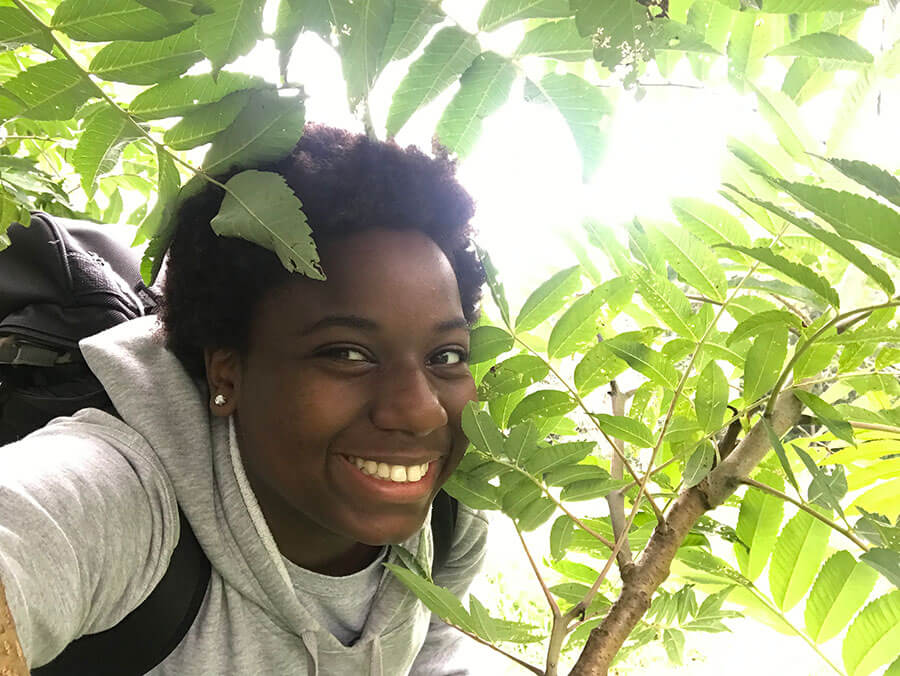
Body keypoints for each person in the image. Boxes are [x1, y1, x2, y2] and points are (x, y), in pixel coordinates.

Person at [0, 124, 489, 674]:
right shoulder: (121, 502)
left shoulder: (449, 518)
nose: (421, 411)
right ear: (227, 372)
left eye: (445, 356)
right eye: (348, 354)